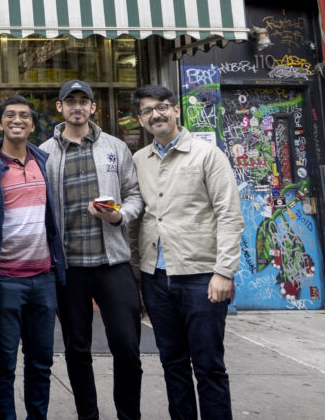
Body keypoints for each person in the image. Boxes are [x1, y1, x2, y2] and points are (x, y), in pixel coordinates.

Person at [131, 85, 244, 420]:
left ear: (176, 110)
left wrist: (224, 271)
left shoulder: (207, 155)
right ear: (141, 120)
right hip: (156, 278)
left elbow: (229, 214)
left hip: (201, 277)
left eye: (162, 107)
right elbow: (140, 217)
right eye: (148, 111)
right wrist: (138, 271)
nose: (156, 115)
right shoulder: (140, 160)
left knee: (209, 365)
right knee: (173, 363)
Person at [38, 79, 144, 420]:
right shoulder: (44, 153)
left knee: (127, 347)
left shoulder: (115, 148)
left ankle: (129, 415)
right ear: (60, 107)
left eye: (84, 101)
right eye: (71, 101)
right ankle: (89, 415)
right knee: (76, 349)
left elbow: (135, 195)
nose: (77, 106)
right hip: (69, 268)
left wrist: (119, 216)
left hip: (112, 262)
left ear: (93, 107)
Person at [0, 95, 67, 420]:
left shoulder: (42, 160)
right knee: (3, 362)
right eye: (10, 115)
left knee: (42, 360)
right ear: (0, 123)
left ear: (31, 123)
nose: (17, 120)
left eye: (24, 116)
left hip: (43, 279)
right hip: (6, 281)